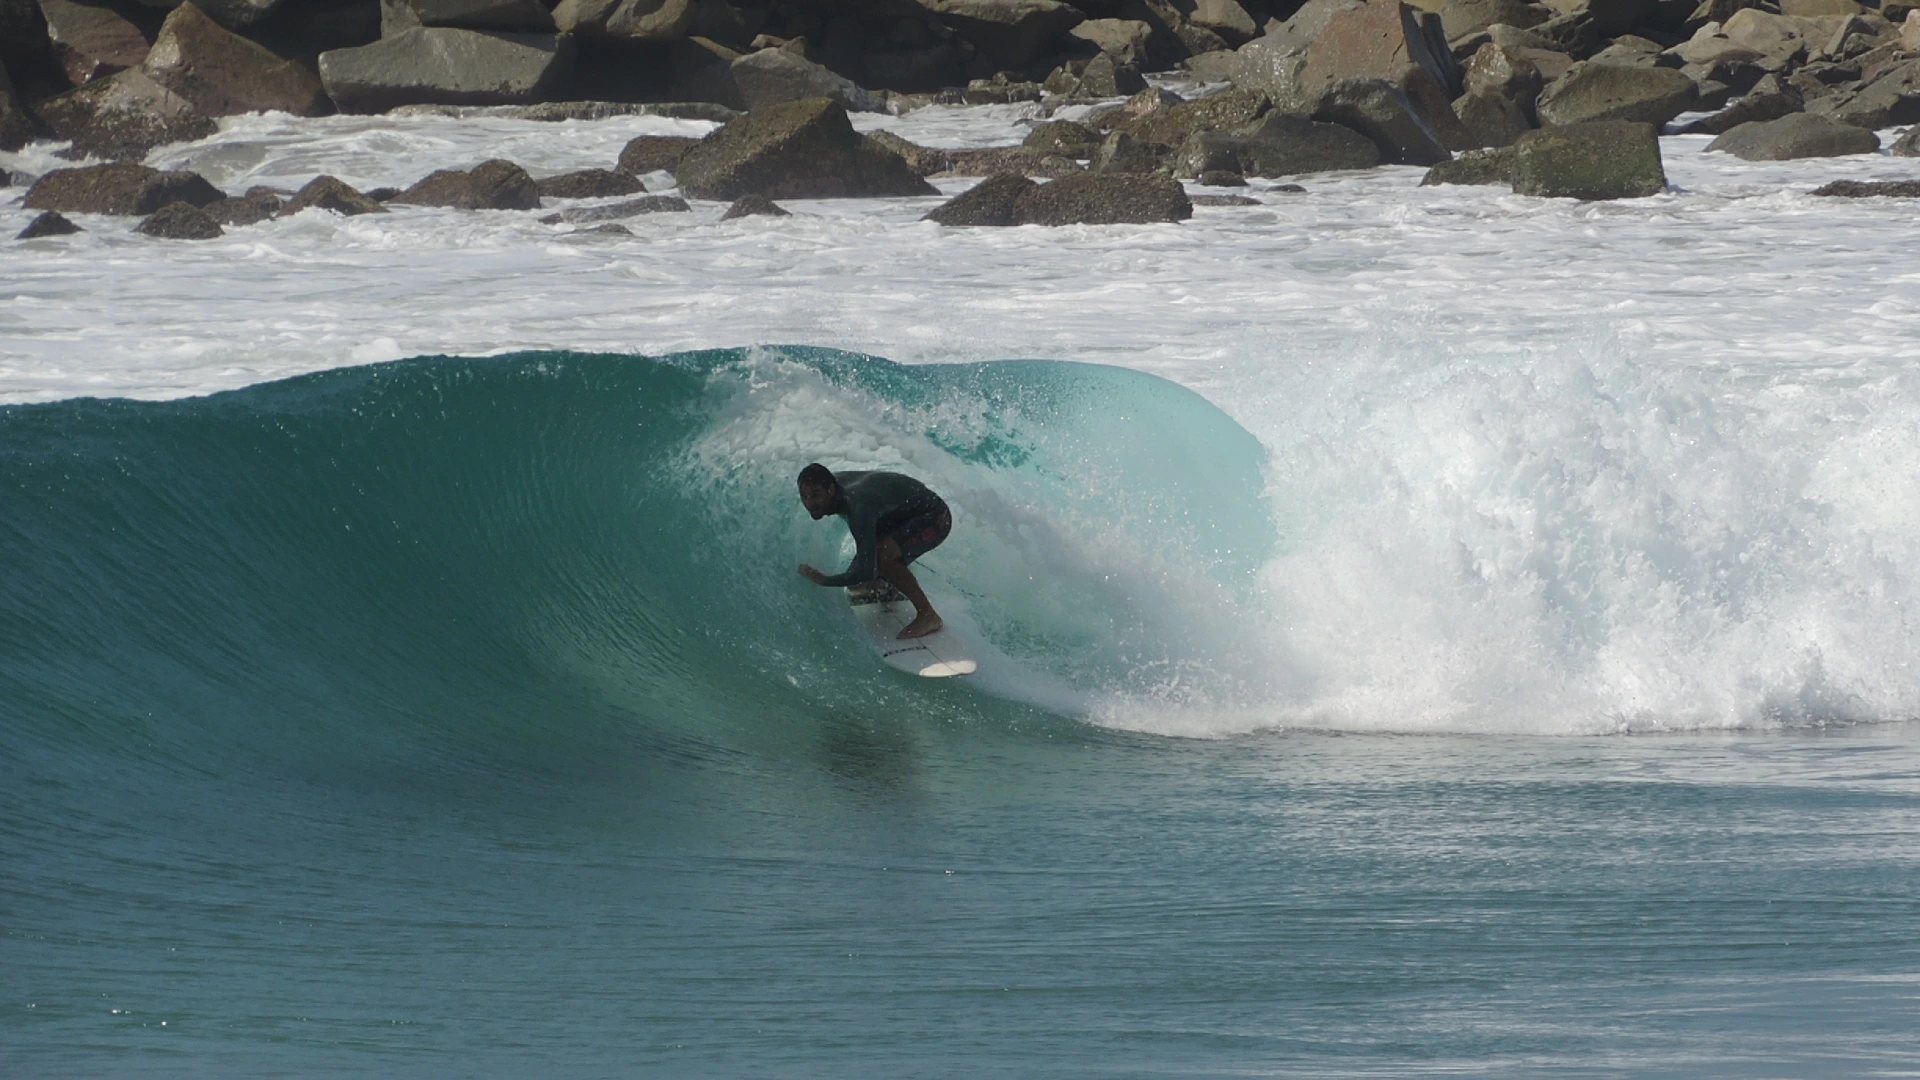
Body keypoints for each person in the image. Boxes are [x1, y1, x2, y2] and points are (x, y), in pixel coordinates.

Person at [795, 462, 951, 639]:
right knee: (858, 586)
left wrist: (824, 580)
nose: (810, 503)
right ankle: (888, 585)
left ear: (830, 489)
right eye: (804, 496)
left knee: (884, 559)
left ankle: (928, 615)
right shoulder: (831, 484)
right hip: (899, 517)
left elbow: (867, 571)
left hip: (934, 516)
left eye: (815, 495)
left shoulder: (856, 505)